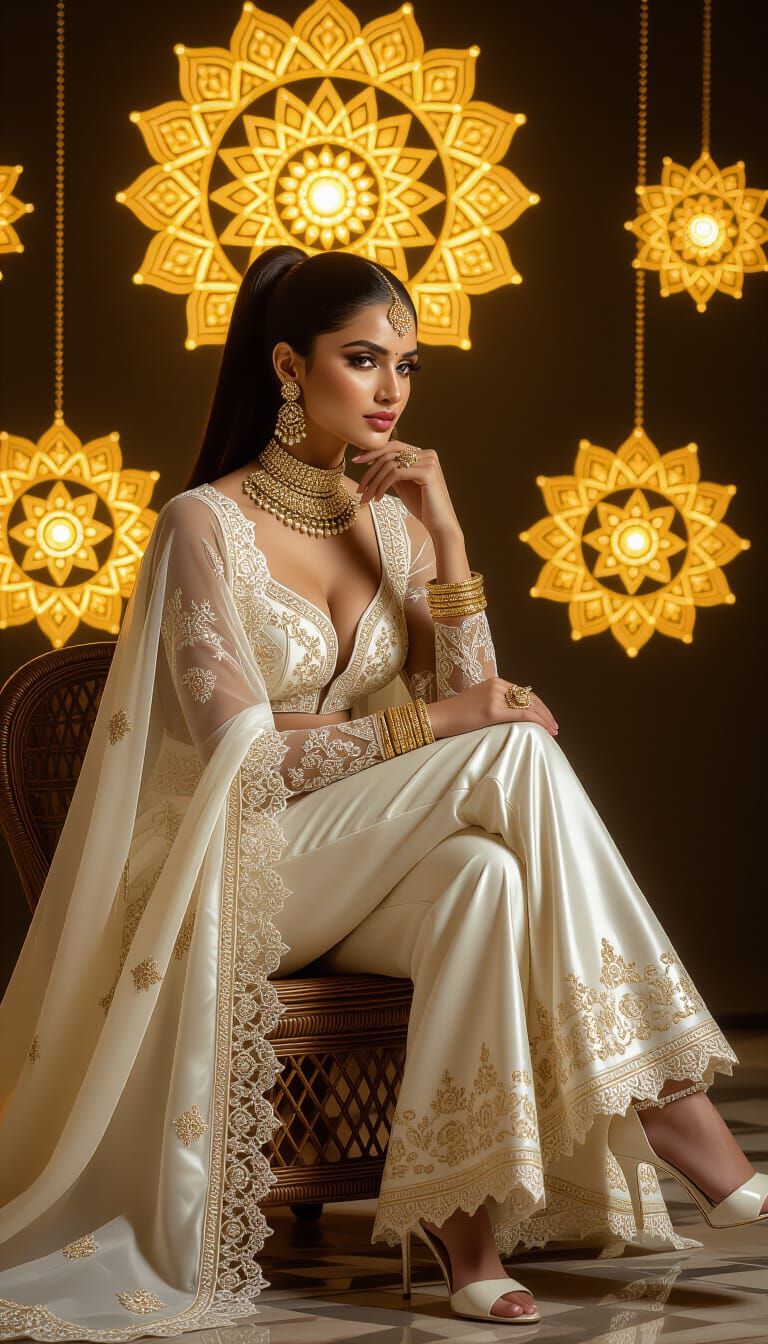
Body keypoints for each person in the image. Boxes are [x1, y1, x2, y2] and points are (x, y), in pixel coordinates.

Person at [0, 247, 764, 1339]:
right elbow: (250, 760)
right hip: (226, 871)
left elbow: (472, 693)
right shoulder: (201, 526)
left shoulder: (397, 527)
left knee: (485, 878)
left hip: (352, 864)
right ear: (288, 365)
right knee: (510, 754)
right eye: (362, 359)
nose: (391, 388)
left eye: (406, 364)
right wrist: (433, 725)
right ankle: (675, 1107)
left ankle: (462, 1227)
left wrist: (448, 538)